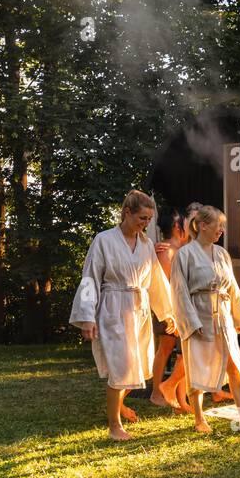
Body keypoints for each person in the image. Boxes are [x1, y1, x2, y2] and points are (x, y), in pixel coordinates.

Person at [70, 189, 176, 441]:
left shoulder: (146, 244)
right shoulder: (104, 240)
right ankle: (114, 425)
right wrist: (87, 316)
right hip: (113, 309)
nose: (145, 224)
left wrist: (168, 313)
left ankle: (118, 406)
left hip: (138, 309)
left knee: (137, 366)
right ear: (127, 213)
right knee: (121, 367)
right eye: (142, 218)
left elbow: (156, 281)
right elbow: (90, 278)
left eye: (149, 220)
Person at [170, 204, 240, 434]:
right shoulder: (184, 254)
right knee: (197, 368)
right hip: (199, 318)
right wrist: (191, 322)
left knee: (236, 368)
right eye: (218, 225)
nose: (221, 230)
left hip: (223, 318)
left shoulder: (222, 254)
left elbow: (232, 288)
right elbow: (179, 291)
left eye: (223, 226)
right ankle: (199, 419)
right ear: (202, 225)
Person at [149, 206, 193, 412]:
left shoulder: (180, 249)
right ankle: (156, 392)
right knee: (165, 349)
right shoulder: (165, 250)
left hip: (181, 309)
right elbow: (166, 285)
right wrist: (171, 315)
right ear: (177, 227)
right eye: (185, 223)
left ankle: (181, 400)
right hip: (168, 309)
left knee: (183, 353)